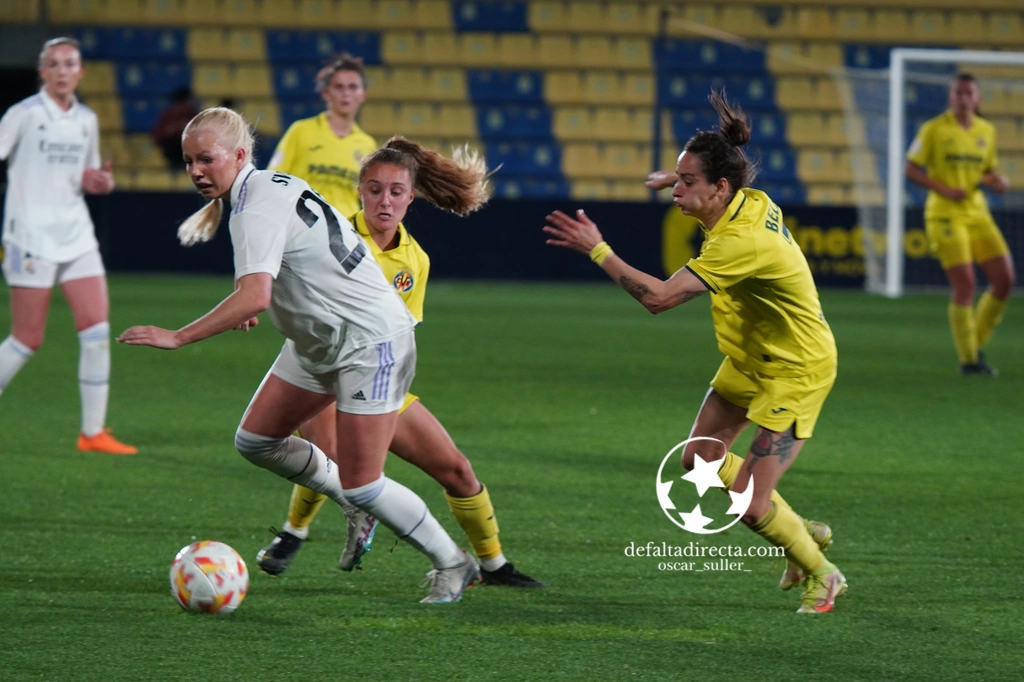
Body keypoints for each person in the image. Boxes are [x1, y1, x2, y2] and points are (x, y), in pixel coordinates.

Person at [117, 108, 484, 604]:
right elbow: (282, 266)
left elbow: (256, 295)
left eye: (206, 159)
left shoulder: (254, 206)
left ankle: (453, 562)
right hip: (318, 341)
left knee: (364, 483)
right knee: (256, 440)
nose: (197, 171)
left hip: (368, 344)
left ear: (240, 155)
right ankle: (354, 506)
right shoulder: (267, 185)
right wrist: (251, 296)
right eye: (188, 162)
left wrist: (178, 336)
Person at [545, 91, 846, 614]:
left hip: (795, 369)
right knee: (699, 459)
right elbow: (714, 184)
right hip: (749, 358)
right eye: (678, 181)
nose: (677, 192)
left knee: (748, 505)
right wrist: (677, 178)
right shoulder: (747, 200)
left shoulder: (742, 242)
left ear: (719, 188)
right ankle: (798, 533)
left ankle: (822, 573)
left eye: (688, 184)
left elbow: (660, 299)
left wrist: (598, 248)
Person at [256, 138, 544, 588]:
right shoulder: (328, 238)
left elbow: (397, 336)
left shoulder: (416, 261)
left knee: (457, 470)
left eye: (395, 191)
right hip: (321, 374)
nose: (384, 201)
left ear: (412, 196)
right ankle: (296, 532)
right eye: (374, 190)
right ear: (359, 191)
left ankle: (494, 565)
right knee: (335, 459)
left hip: (381, 378)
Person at [0, 37, 136, 455]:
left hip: (76, 236)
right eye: (54, 64)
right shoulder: (21, 115)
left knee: (96, 331)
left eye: (70, 64)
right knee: (27, 339)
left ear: (80, 72)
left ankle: (92, 432)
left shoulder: (86, 120)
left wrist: (99, 182)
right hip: (29, 237)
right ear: (42, 72)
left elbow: (88, 175)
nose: (62, 71)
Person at [905, 72, 1014, 376]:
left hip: (977, 213)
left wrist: (998, 181)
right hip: (944, 214)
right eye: (958, 94)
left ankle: (973, 343)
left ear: (977, 99)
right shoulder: (934, 130)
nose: (964, 99)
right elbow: (910, 169)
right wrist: (943, 189)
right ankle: (969, 360)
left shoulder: (986, 131)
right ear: (950, 98)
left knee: (1004, 280)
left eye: (969, 94)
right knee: (966, 282)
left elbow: (987, 172)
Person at [267, 53, 375, 218]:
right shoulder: (301, 131)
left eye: (353, 87)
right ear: (326, 93)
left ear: (363, 95)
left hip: (345, 233)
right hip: (301, 227)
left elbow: (367, 198)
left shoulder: (368, 145)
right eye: (339, 86)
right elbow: (273, 179)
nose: (346, 93)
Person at [152, 86, 198, 168]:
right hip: (172, 149)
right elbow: (157, 137)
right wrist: (171, 131)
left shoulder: (192, 114)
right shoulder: (168, 115)